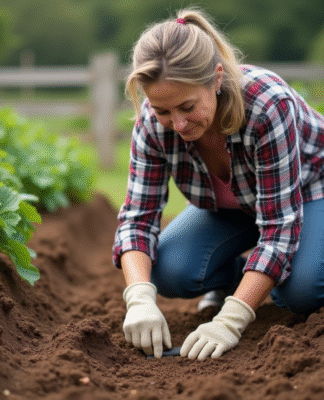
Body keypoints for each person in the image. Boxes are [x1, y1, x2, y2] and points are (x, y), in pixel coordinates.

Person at [112, 8, 324, 360]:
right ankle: (241, 278)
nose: (177, 123)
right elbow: (138, 217)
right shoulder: (151, 124)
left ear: (216, 78)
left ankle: (284, 272)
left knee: (300, 292)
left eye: (187, 106)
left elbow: (279, 226)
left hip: (309, 194)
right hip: (235, 208)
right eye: (163, 111)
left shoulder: (267, 107)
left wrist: (232, 318)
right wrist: (138, 297)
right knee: (168, 270)